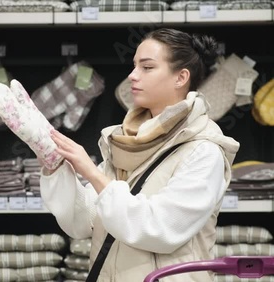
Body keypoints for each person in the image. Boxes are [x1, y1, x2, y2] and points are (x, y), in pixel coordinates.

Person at [39, 28, 240, 281]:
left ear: (181, 77)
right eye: (134, 66)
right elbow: (83, 221)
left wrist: (90, 171)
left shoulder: (203, 149)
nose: (133, 76)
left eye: (147, 67)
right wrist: (55, 166)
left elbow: (159, 228)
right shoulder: (124, 142)